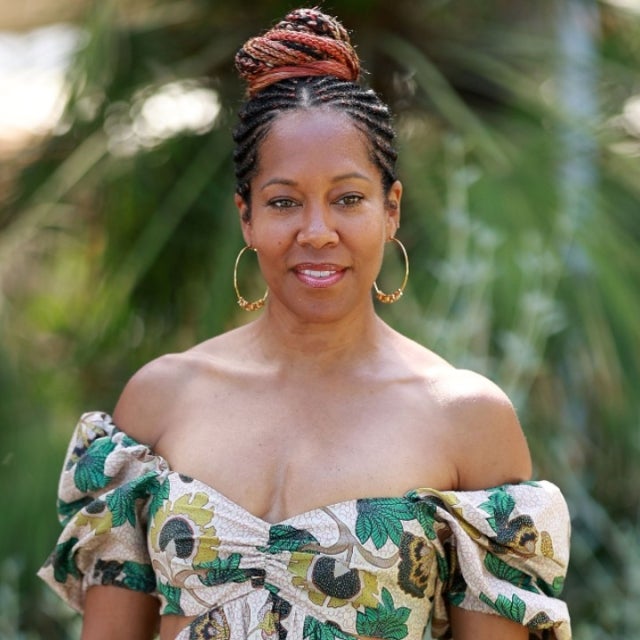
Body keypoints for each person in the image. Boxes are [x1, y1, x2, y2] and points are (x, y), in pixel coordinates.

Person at [38, 7, 571, 640]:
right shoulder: (160, 403)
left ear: (391, 210)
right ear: (247, 216)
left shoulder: (465, 420)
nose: (317, 232)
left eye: (349, 199)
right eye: (284, 202)